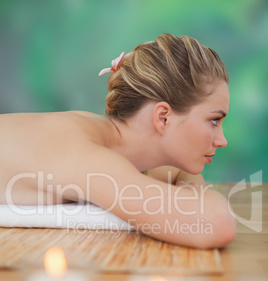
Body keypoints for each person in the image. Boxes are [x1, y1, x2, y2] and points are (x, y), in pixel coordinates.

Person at [0, 33, 236, 249]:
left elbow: (171, 173)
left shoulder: (107, 140)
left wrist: (188, 185)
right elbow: (216, 223)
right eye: (214, 120)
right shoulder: (83, 153)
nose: (222, 140)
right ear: (163, 117)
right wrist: (195, 198)